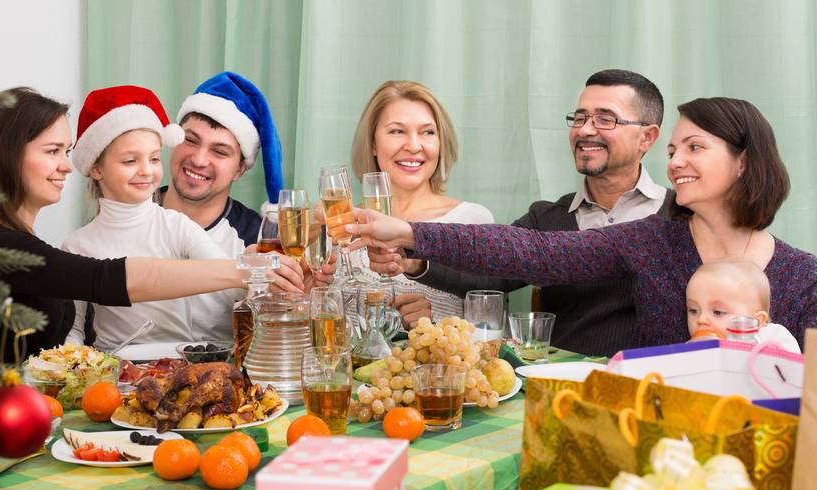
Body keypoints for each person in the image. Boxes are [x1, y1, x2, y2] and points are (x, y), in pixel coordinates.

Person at [349, 97, 816, 349]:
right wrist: (411, 233)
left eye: (695, 147)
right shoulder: (652, 239)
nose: (675, 163)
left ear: (743, 162)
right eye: (673, 151)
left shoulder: (804, 277)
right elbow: (534, 252)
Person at [0, 87, 303, 361]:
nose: (67, 166)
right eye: (53, 151)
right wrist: (248, 269)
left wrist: (264, 278)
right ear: (9, 154)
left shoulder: (20, 242)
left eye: (66, 151)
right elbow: (108, 279)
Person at [369, 70, 672, 357]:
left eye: (605, 119)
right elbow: (488, 274)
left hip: (651, 392)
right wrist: (416, 261)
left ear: (647, 137)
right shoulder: (548, 219)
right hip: (558, 393)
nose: (586, 129)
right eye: (580, 118)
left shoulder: (679, 217)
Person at [61, 85, 242, 349]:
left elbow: (231, 282)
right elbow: (73, 331)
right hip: (115, 374)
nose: (146, 171)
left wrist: (258, 272)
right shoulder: (76, 245)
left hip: (179, 368)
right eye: (129, 161)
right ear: (96, 168)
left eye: (155, 159)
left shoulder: (177, 226)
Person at [349, 80, 495, 328]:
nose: (414, 146)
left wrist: (432, 327)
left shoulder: (472, 221)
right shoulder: (344, 226)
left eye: (427, 132)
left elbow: (490, 336)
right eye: (397, 131)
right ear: (372, 144)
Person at [159, 71, 283, 255]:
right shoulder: (125, 213)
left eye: (219, 152)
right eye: (191, 140)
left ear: (239, 169)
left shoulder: (257, 243)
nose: (199, 160)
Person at [686, 260, 800, 353]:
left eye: (718, 312)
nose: (701, 319)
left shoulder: (775, 338)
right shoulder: (691, 351)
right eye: (693, 310)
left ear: (756, 322)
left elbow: (791, 374)